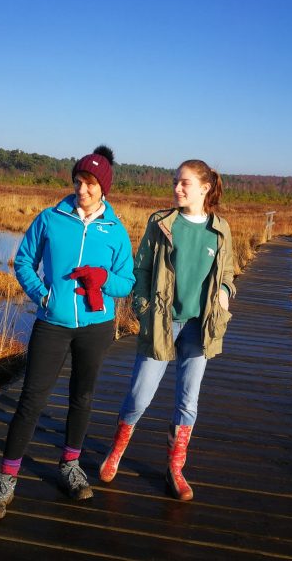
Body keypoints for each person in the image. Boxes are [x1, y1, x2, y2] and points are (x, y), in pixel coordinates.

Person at [0, 145, 135, 519]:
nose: (81, 189)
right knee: (31, 400)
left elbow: (127, 282)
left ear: (104, 189)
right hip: (52, 323)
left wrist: (104, 279)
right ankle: (6, 480)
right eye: (78, 181)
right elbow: (23, 262)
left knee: (82, 398)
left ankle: (69, 465)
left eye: (89, 183)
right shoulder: (51, 219)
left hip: (96, 327)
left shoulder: (115, 231)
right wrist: (43, 295)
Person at [99, 159, 235, 501]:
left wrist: (224, 293)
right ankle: (116, 452)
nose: (176, 188)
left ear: (204, 188)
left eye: (184, 183)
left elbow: (228, 274)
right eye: (175, 181)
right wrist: (143, 308)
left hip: (199, 326)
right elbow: (141, 269)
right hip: (161, 321)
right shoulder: (160, 223)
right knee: (140, 394)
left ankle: (175, 469)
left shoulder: (220, 229)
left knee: (189, 400)